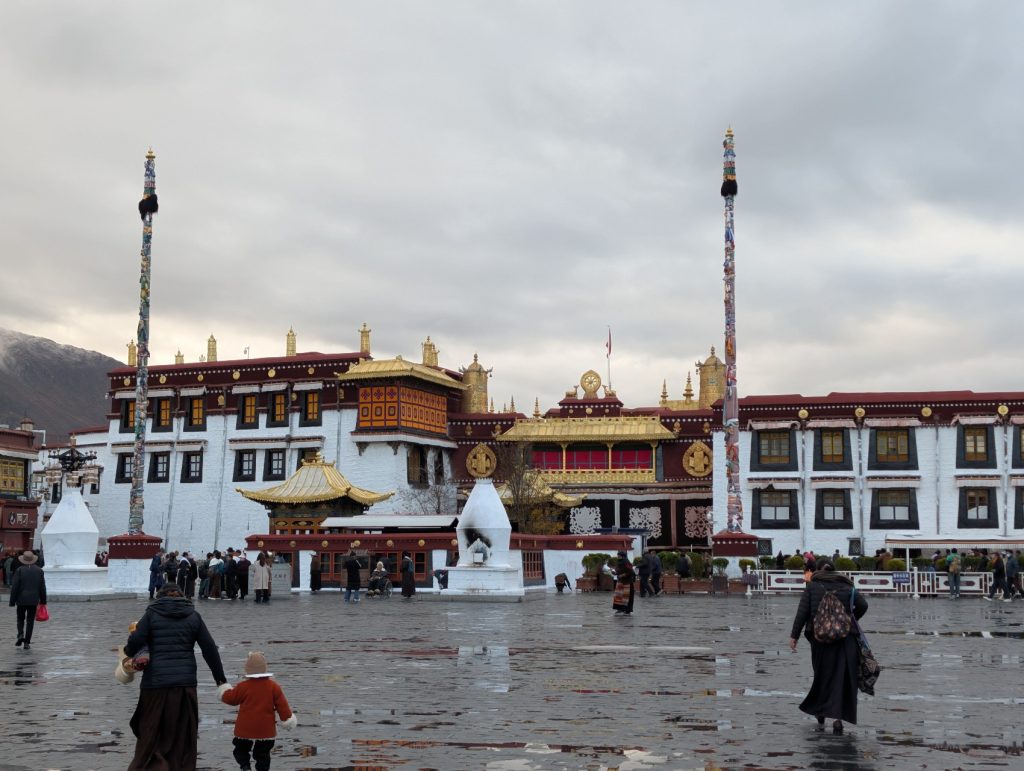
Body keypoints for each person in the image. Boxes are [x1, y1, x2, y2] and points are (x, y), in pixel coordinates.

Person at [124, 583, 227, 770]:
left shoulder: (152, 614)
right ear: (182, 596)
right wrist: (220, 680)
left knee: (151, 733)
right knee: (182, 737)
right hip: (185, 686)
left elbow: (136, 641)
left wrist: (129, 650)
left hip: (155, 685)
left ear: (160, 596)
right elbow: (209, 648)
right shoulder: (193, 616)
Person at [789, 561, 868, 734]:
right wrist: (849, 620)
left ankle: (821, 712)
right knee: (841, 678)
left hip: (820, 639)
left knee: (822, 676)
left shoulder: (812, 586)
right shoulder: (847, 586)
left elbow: (802, 612)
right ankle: (837, 718)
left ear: (818, 570)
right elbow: (863, 605)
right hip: (845, 640)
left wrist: (794, 636)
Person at [219, 651, 296, 771]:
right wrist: (287, 719)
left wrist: (223, 690)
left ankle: (245, 766)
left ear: (247, 669)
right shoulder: (273, 687)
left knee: (240, 750)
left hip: (245, 729)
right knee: (263, 755)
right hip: (266, 730)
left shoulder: (243, 686)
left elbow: (231, 699)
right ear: (264, 668)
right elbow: (282, 706)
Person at [9, 550, 46, 650]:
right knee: (30, 621)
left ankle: (20, 634)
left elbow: (15, 587)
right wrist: (43, 601)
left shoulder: (19, 570)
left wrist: (12, 601)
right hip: (33, 600)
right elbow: (42, 587)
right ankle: (27, 642)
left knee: (20, 618)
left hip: (21, 599)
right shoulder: (39, 571)